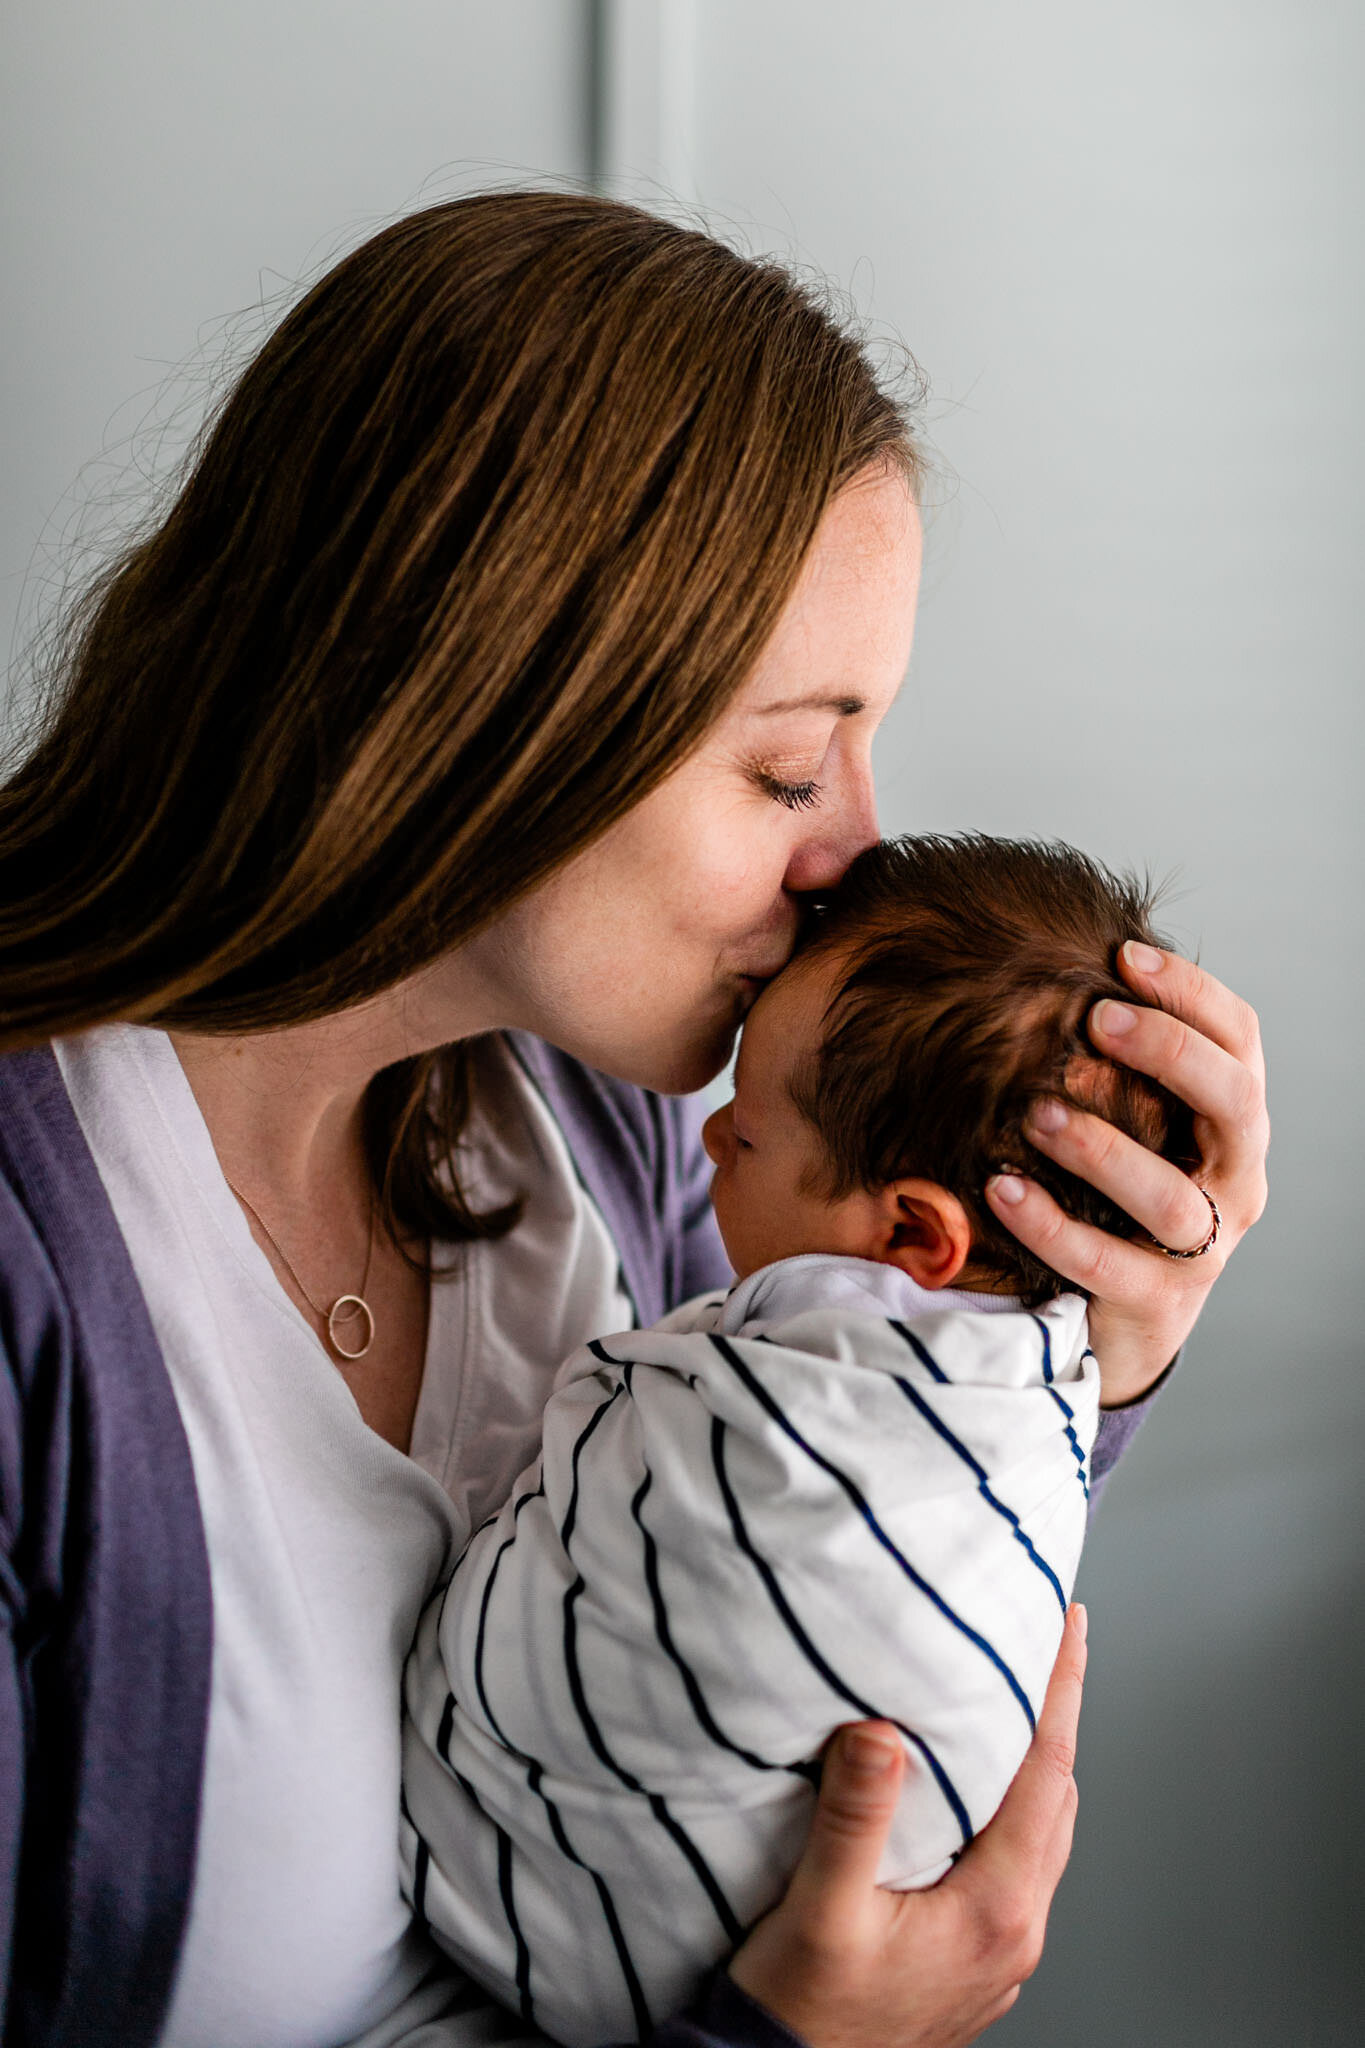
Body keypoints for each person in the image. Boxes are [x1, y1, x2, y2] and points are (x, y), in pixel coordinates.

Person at [0, 192, 1268, 2048]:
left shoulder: (604, 1130)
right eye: (786, 760)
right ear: (483, 697)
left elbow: (781, 1630)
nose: (856, 848)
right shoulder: (42, 1281)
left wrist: (1063, 1333)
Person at [399, 831, 1204, 2045]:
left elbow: (913, 1538)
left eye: (752, 1135)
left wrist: (1129, 1354)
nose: (714, 1135)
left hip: (621, 1955)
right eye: (782, 767)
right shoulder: (646, 1096)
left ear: (915, 1239)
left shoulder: (958, 1384)